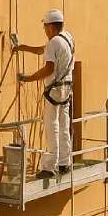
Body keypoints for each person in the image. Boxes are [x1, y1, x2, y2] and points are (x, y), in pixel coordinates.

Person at [15, 9, 75, 180]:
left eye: (45, 28)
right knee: (64, 125)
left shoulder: (53, 43)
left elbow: (49, 68)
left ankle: (49, 166)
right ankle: (64, 162)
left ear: (50, 27)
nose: (45, 31)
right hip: (66, 88)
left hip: (54, 90)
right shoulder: (68, 38)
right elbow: (45, 50)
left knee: (51, 125)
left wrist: (29, 78)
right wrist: (25, 48)